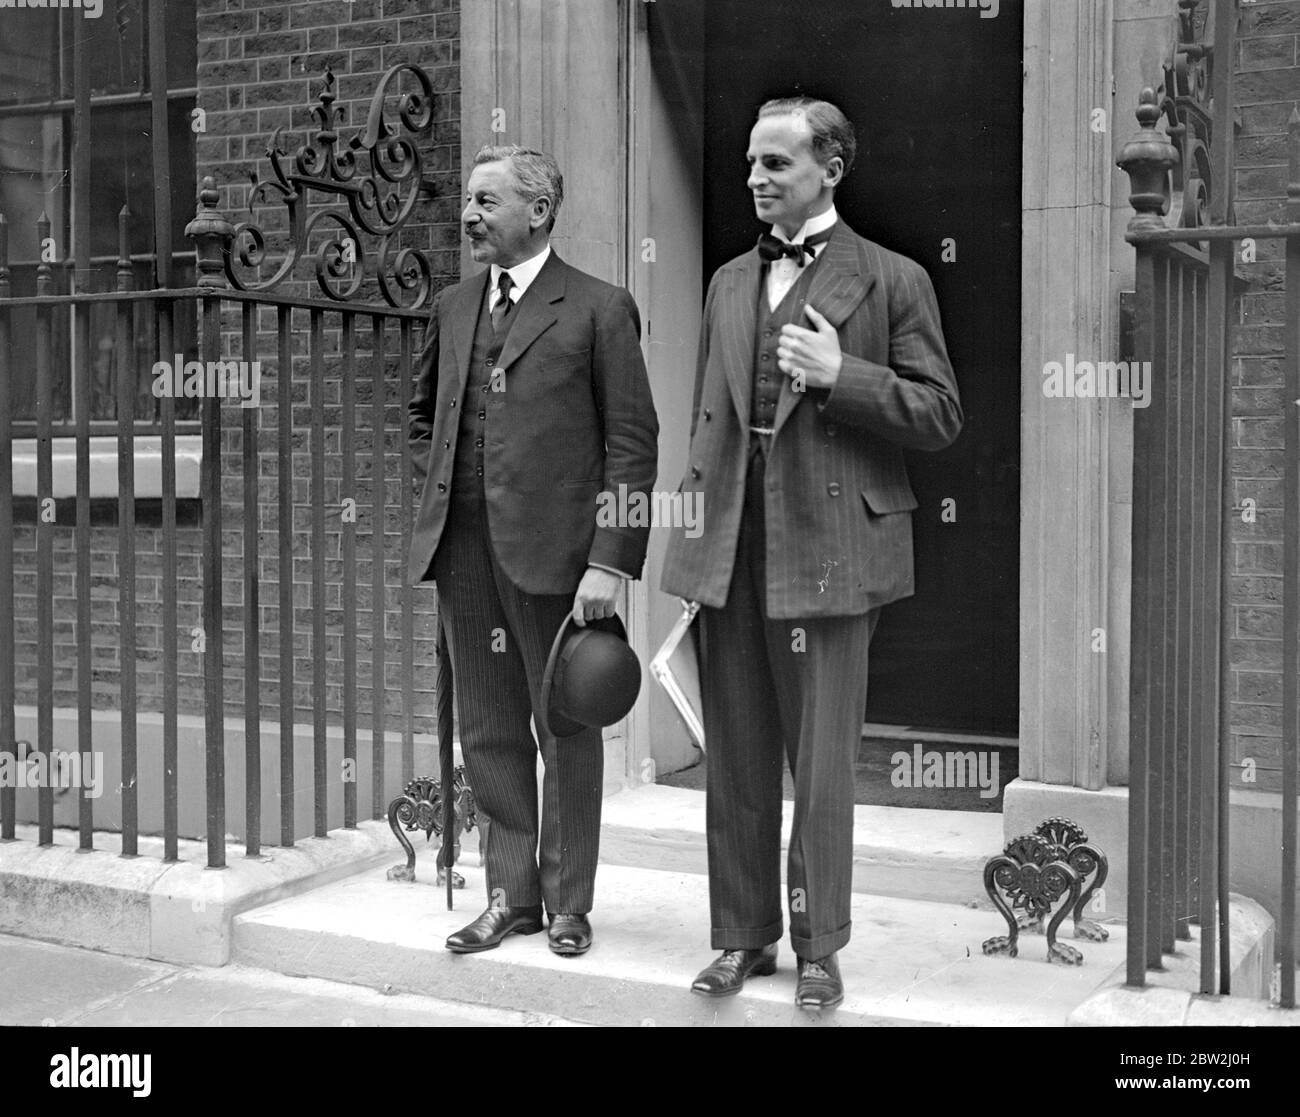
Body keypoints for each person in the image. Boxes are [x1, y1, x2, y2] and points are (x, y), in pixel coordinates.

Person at [660, 97, 963, 1009]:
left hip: (831, 546)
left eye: (776, 164)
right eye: (751, 162)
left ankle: (819, 943)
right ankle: (741, 935)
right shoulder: (723, 282)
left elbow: (941, 413)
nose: (754, 177)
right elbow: (710, 425)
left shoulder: (892, 278)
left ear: (830, 169)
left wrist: (845, 378)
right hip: (731, 542)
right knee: (738, 758)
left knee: (822, 764)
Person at [408, 145, 659, 957]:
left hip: (559, 559)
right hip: (464, 552)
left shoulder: (597, 306)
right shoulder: (452, 306)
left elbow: (632, 442)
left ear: (539, 211)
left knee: (565, 728)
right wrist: (444, 492)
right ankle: (509, 894)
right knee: (486, 729)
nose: (469, 215)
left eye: (486, 201)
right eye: (469, 202)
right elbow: (422, 419)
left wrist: (609, 561)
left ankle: (568, 902)